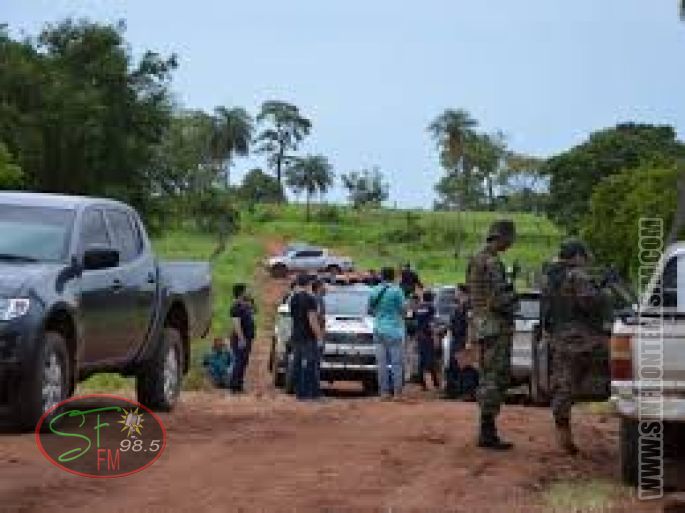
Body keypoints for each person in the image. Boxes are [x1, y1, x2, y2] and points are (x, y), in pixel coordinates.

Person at [541, 239, 609, 455]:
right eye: (584, 256)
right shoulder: (577, 275)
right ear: (577, 256)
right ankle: (564, 431)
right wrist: (603, 292)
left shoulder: (550, 277)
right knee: (578, 381)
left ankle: (563, 429)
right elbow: (589, 303)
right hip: (581, 338)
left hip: (559, 336)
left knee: (564, 382)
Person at [466, 220, 517, 450]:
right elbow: (499, 299)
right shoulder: (493, 263)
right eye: (510, 238)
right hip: (495, 326)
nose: (511, 243)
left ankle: (486, 428)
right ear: (502, 237)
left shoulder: (475, 260)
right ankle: (487, 431)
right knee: (496, 377)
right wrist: (514, 299)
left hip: (481, 325)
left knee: (487, 375)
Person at [368, 267, 406, 400]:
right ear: (393, 276)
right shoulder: (397, 290)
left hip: (378, 329)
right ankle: (397, 393)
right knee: (396, 363)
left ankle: (384, 392)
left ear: (382, 276)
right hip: (394, 330)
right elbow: (403, 310)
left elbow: (370, 310)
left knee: (382, 364)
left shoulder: (374, 290)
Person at [289, 273, 325, 400]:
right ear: (308, 284)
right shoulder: (310, 299)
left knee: (298, 364)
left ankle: (300, 392)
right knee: (310, 364)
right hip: (308, 336)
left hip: (296, 335)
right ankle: (310, 393)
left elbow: (293, 317)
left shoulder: (293, 299)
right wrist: (319, 336)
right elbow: (312, 320)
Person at [444, 284, 471, 398]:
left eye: (457, 291)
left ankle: (466, 391)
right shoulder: (457, 307)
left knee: (464, 365)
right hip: (455, 339)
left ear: (462, 292)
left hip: (463, 339)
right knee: (452, 364)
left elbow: (470, 325)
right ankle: (452, 390)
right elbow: (452, 323)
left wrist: (468, 341)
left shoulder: (468, 307)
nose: (455, 293)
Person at [229, 283, 256, 393]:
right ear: (241, 293)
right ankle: (234, 386)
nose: (248, 292)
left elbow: (254, 311)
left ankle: (239, 385)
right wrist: (241, 338)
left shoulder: (244, 305)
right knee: (239, 362)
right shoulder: (236, 306)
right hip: (240, 338)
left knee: (244, 362)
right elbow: (236, 324)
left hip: (247, 338)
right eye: (246, 290)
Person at [415, 290, 439, 390]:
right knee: (430, 359)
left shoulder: (419, 307)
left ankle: (422, 382)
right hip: (427, 336)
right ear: (431, 298)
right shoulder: (431, 307)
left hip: (420, 336)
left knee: (422, 359)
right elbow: (432, 323)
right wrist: (435, 335)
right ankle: (435, 382)